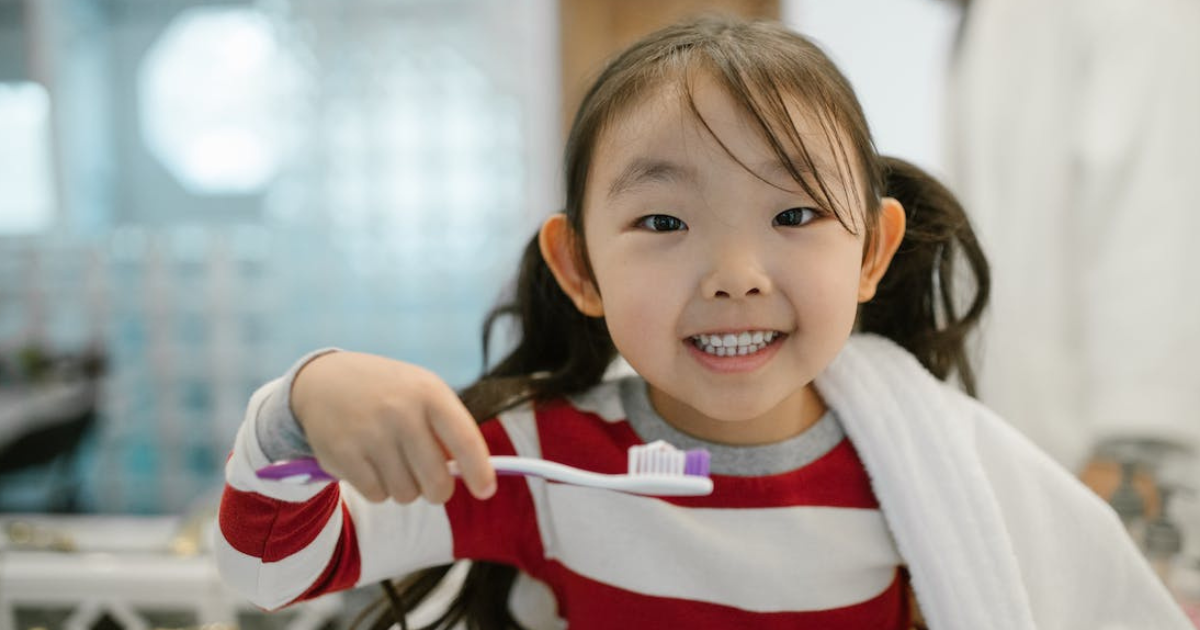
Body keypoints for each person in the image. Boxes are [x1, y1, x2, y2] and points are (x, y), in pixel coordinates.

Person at [215, 16, 1190, 630]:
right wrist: (301, 405)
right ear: (579, 266)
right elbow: (266, 571)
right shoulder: (534, 463)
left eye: (795, 215)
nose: (733, 276)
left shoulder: (935, 471)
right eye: (664, 222)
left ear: (871, 252)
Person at [946, 0, 1200, 478]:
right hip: (1033, 488)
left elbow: (1161, 267)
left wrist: (1134, 468)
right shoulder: (988, 23)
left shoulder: (1140, 15)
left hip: (1118, 484)